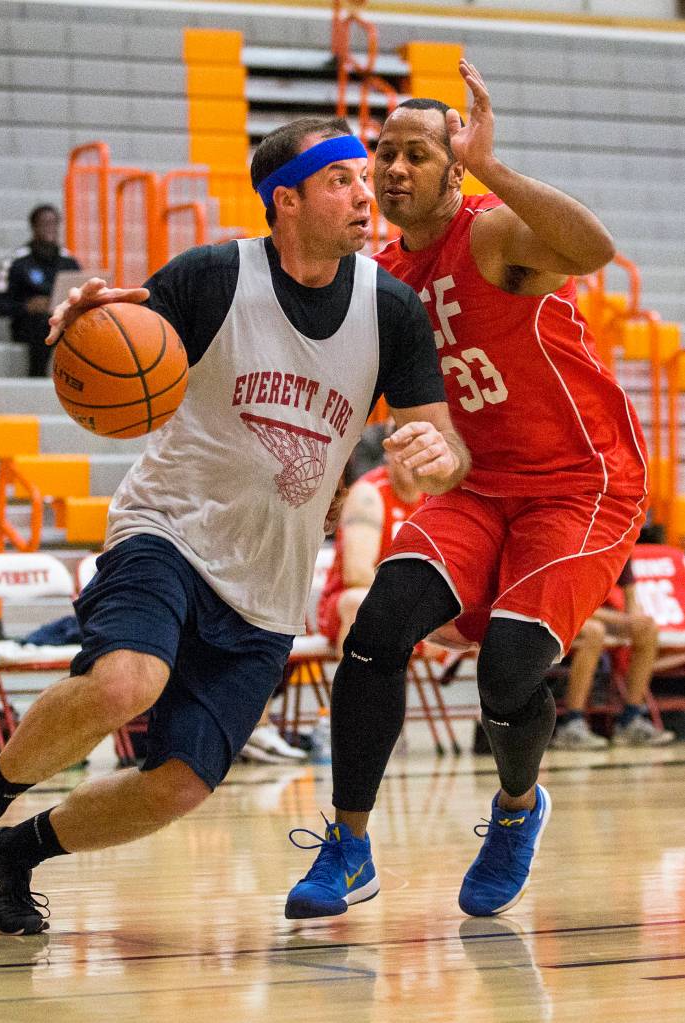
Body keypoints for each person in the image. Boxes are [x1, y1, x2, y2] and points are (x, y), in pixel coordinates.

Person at [0, 116, 469, 935]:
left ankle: (15, 852)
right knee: (128, 680)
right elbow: (116, 329)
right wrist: (85, 319)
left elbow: (440, 445)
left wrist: (429, 452)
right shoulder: (213, 276)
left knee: (180, 785)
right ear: (286, 201)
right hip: (168, 529)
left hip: (268, 581)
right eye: (340, 180)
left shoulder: (393, 310)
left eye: (360, 178)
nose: (362, 192)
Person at [285, 60, 648, 920]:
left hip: (580, 482)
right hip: (477, 489)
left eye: (418, 153)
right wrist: (333, 480)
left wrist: (496, 168)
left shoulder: (494, 234)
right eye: (385, 154)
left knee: (508, 667)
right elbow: (341, 395)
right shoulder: (378, 282)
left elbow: (594, 250)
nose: (396, 168)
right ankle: (347, 844)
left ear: (455, 169)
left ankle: (517, 811)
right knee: (373, 628)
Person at [552, 558, 674, 749]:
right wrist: (621, 620)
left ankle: (630, 719)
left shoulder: (621, 541)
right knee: (595, 632)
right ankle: (571, 723)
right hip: (560, 611)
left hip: (594, 614)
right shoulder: (581, 541)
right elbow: (564, 600)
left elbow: (631, 603)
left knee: (647, 628)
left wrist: (633, 620)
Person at [318, 442, 425, 652]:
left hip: (410, 605)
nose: (414, 461)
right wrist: (413, 602)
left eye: (421, 452)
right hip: (347, 605)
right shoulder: (368, 494)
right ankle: (355, 685)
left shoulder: (436, 498)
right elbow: (357, 575)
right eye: (407, 450)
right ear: (390, 452)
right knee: (363, 604)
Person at [0, 204, 80, 378]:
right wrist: (27, 306)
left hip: (63, 321)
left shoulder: (69, 261)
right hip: (29, 325)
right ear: (34, 227)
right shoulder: (16, 262)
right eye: (45, 223)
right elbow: (0, 306)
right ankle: (37, 377)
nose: (51, 228)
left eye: (54, 223)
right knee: (43, 323)